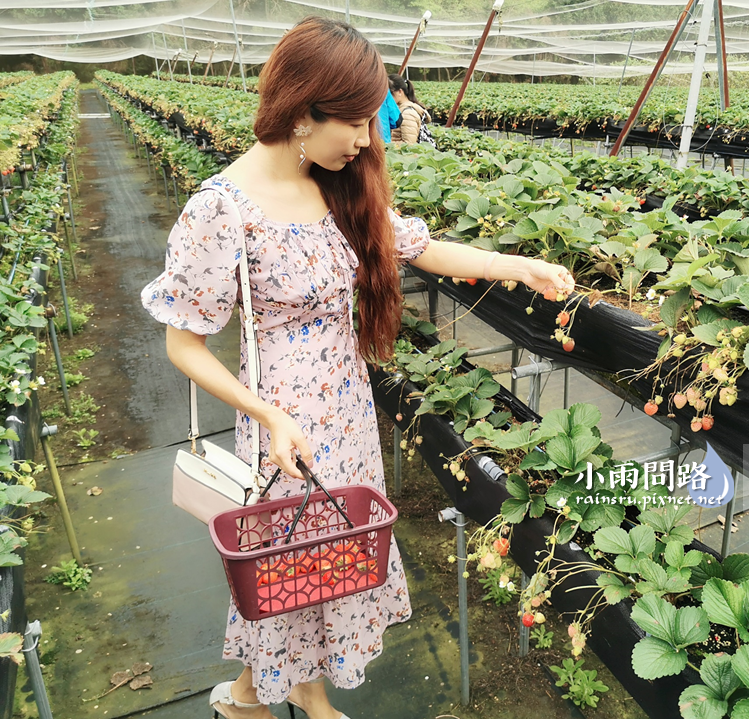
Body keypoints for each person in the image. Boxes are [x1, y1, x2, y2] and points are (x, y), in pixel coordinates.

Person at [140, 16, 574, 719]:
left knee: (330, 556)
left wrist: (514, 266)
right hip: (283, 430)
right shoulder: (221, 210)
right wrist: (267, 414)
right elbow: (182, 342)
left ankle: (251, 698)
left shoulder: (337, 189)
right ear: (305, 109)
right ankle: (304, 704)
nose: (370, 140)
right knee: (293, 567)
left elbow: (417, 247)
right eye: (359, 122)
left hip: (345, 413)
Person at [387, 74, 431, 146]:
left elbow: (409, 144)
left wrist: (386, 145)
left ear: (400, 92)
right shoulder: (401, 109)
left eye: (389, 94)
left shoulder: (407, 113)